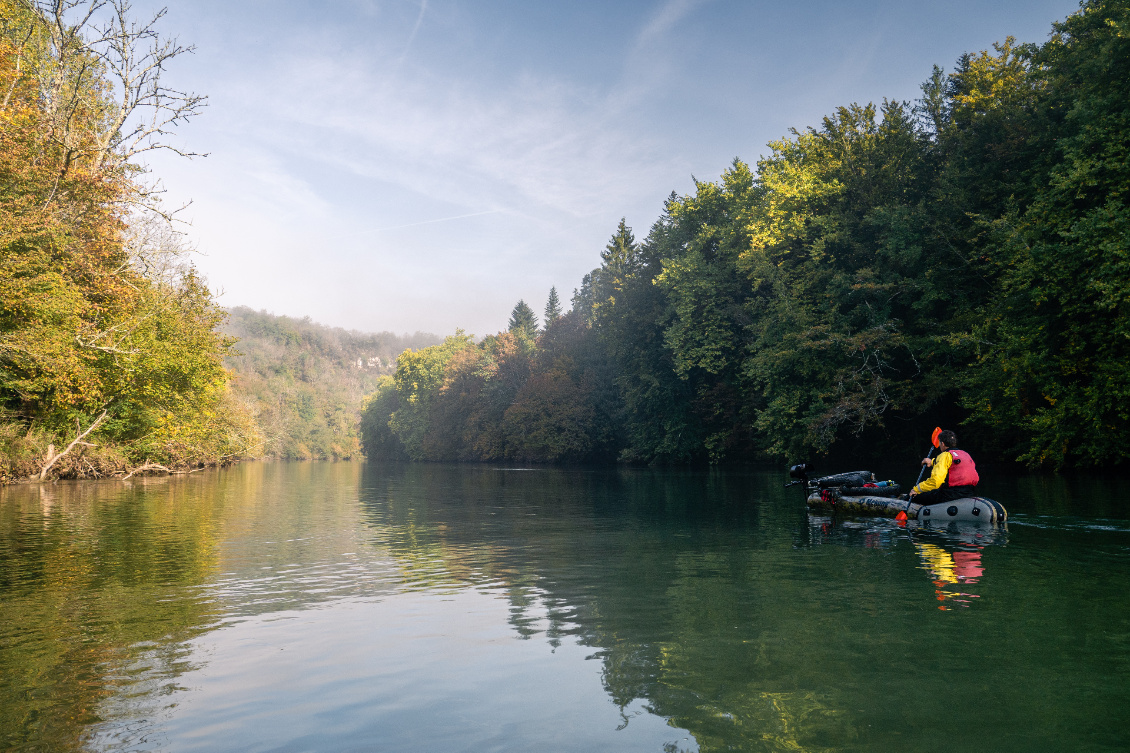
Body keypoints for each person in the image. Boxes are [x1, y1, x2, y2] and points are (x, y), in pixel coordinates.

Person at [909, 430, 980, 505]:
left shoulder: (944, 455)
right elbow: (950, 463)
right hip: (970, 492)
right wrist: (932, 462)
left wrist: (916, 489)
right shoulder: (965, 454)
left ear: (942, 444)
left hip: (951, 495)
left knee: (915, 496)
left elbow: (935, 482)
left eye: (939, 443)